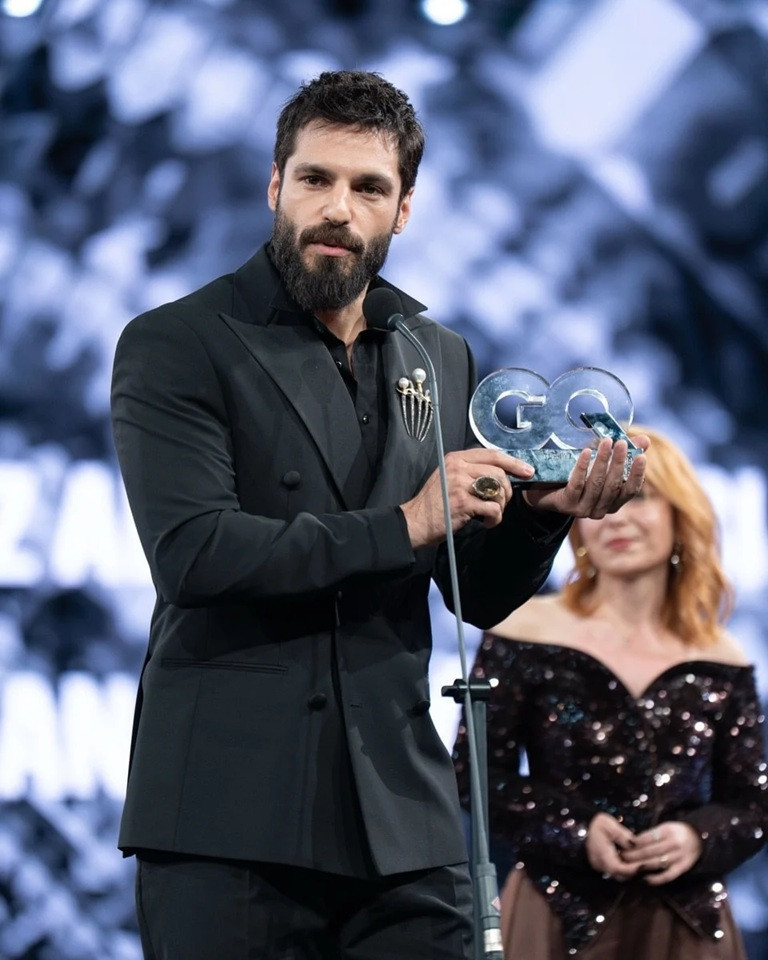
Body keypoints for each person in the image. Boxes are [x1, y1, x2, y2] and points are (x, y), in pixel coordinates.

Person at [110, 69, 646, 960]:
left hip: (401, 816)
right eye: (315, 179)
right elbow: (195, 554)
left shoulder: (437, 355)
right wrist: (406, 524)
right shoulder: (178, 342)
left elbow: (474, 594)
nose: (337, 209)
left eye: (368, 187)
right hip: (228, 817)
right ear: (275, 186)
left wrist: (539, 518)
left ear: (403, 210)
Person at [453, 425, 768, 959]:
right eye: (603, 498)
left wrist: (696, 839)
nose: (617, 518)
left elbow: (752, 806)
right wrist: (574, 830)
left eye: (637, 497)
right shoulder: (522, 629)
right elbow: (476, 777)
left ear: (680, 514)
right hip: (554, 917)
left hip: (689, 928)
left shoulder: (723, 656)